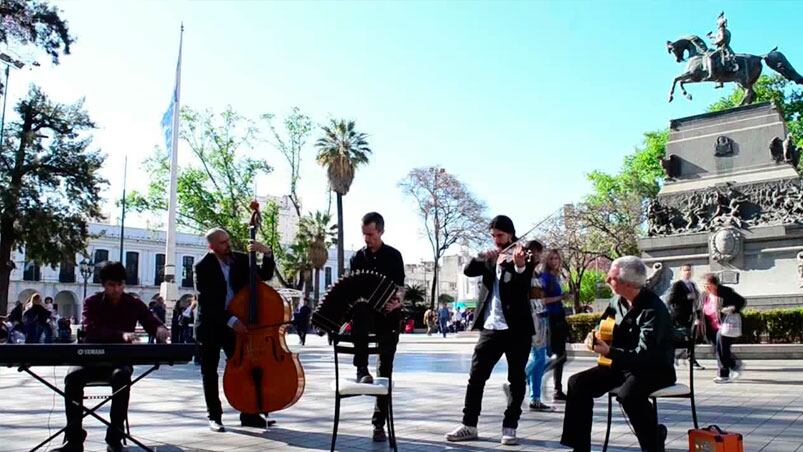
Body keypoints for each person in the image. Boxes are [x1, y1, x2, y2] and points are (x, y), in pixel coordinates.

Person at [560, 256, 675, 452]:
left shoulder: (654, 310)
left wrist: (609, 351)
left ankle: (653, 443)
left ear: (627, 283)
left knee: (629, 395)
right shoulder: (616, 301)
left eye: (611, 277)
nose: (606, 280)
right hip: (620, 365)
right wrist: (593, 335)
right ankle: (580, 448)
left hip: (653, 369)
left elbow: (644, 355)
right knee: (577, 383)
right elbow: (603, 324)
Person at [53, 261, 168, 452]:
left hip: (118, 361)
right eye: (111, 285)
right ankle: (74, 439)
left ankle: (115, 438)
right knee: (72, 379)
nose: (116, 289)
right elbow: (91, 329)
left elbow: (149, 320)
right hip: (88, 359)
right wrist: (121, 335)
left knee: (122, 377)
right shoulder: (92, 302)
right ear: (104, 285)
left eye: (120, 285)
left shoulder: (133, 303)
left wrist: (159, 329)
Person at [446, 215, 534, 446]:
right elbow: (468, 270)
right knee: (476, 377)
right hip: (490, 327)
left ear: (511, 234)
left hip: (517, 329)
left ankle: (510, 426)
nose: (496, 240)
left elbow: (523, 284)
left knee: (516, 379)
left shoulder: (523, 253)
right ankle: (469, 424)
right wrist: (483, 256)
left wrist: (519, 265)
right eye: (493, 236)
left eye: (500, 236)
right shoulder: (490, 257)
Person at [194, 227, 275, 432]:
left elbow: (264, 275)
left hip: (236, 324)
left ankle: (249, 413)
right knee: (209, 372)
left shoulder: (240, 259)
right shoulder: (202, 266)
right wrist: (231, 320)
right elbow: (209, 303)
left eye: (228, 240)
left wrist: (266, 253)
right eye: (222, 242)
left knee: (244, 369)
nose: (228, 244)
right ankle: (214, 416)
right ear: (211, 246)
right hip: (211, 325)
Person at [348, 212, 405, 443]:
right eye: (364, 234)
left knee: (385, 371)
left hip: (389, 317)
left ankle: (378, 424)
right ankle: (361, 368)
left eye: (370, 234)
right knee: (360, 310)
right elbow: (352, 288)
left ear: (380, 231)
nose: (366, 239)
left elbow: (400, 287)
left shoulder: (394, 256)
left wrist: (397, 300)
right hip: (365, 314)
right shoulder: (357, 258)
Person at [523, 240, 553, 411]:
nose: (539, 256)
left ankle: (535, 397)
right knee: (538, 358)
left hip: (541, 318)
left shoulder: (536, 273)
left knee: (540, 359)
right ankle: (520, 380)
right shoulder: (524, 272)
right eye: (536, 252)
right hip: (531, 319)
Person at [700, 273, 746, 383]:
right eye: (704, 285)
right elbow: (698, 308)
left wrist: (732, 309)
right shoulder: (704, 295)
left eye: (708, 285)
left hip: (725, 325)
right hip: (710, 327)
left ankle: (723, 375)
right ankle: (733, 364)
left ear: (715, 284)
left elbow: (741, 301)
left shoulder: (726, 292)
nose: (706, 287)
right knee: (718, 350)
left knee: (721, 348)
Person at [540, 249, 572, 401]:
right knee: (555, 355)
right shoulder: (545, 277)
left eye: (556, 258)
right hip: (550, 318)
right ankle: (531, 381)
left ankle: (557, 389)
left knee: (561, 355)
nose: (554, 261)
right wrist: (560, 297)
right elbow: (542, 301)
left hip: (559, 317)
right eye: (551, 258)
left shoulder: (556, 277)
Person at [666, 264, 704, 369]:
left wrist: (698, 315)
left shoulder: (692, 285)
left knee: (691, 339)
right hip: (679, 318)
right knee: (677, 339)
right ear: (681, 272)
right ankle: (672, 360)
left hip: (690, 316)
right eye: (685, 270)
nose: (688, 272)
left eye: (690, 270)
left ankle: (691, 359)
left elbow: (697, 301)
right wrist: (686, 297)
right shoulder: (677, 285)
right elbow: (670, 300)